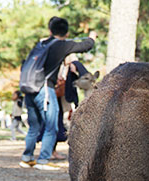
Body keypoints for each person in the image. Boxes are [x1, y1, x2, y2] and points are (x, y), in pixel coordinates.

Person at [19, 17, 95, 171]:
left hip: (29, 89)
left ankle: (26, 158)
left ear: (50, 30)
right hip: (44, 88)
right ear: (66, 33)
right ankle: (43, 160)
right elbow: (86, 46)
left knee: (34, 126)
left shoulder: (41, 44)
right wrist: (92, 37)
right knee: (51, 125)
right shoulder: (62, 45)